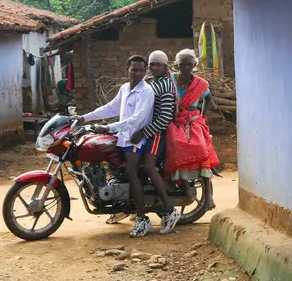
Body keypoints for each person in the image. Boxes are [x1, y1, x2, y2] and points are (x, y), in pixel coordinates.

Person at [76, 55, 156, 237]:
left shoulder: (146, 91)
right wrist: (84, 118)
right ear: (127, 68)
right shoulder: (125, 89)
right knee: (112, 167)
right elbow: (110, 108)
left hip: (136, 139)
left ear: (145, 72)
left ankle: (142, 218)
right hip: (122, 137)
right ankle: (123, 205)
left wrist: (108, 127)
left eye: (141, 70)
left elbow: (136, 119)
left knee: (131, 173)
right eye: (134, 69)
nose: (137, 73)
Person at [107, 50, 182, 234]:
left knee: (148, 167)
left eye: (158, 65)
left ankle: (168, 209)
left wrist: (144, 132)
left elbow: (164, 117)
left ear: (165, 67)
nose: (154, 67)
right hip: (145, 132)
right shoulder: (151, 82)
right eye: (152, 64)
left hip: (157, 133)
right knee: (135, 169)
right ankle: (132, 208)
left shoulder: (163, 85)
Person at [165, 49, 220, 210]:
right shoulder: (171, 80)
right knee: (174, 144)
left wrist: (202, 117)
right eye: (182, 64)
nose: (186, 67)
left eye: (189, 64)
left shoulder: (200, 84)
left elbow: (208, 100)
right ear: (176, 65)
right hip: (175, 119)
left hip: (193, 121)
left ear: (194, 65)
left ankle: (208, 194)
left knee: (202, 149)